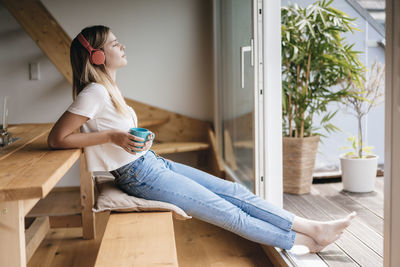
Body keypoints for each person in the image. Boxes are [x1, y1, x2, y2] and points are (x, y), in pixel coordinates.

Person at [48, 25, 356, 253]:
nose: (122, 46)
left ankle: (312, 227)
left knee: (234, 192)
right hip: (139, 175)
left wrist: (137, 138)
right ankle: (303, 242)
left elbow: (117, 136)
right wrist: (114, 135)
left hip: (150, 164)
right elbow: (57, 138)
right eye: (115, 44)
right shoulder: (95, 92)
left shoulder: (108, 90)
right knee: (227, 212)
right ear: (99, 55)